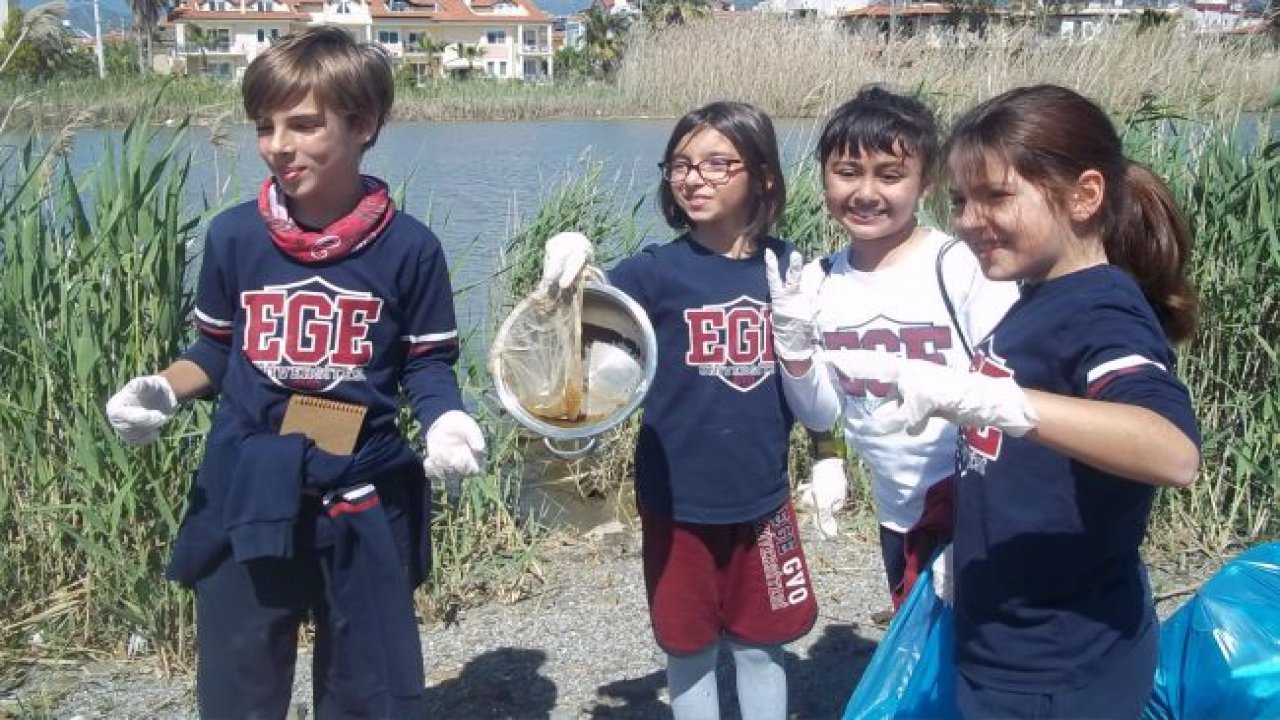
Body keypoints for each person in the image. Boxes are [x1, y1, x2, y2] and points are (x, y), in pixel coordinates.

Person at [103, 26, 485, 718]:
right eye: (265, 126)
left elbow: (428, 363)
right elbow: (215, 353)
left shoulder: (410, 249)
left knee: (367, 689)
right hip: (250, 482)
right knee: (239, 681)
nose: (280, 144)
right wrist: (163, 389)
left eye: (304, 124)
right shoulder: (234, 236)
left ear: (363, 123)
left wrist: (446, 421)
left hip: (364, 488)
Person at [793, 84, 1202, 717]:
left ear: (1085, 197)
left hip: (1057, 659)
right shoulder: (1035, 299)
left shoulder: (1100, 308)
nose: (968, 220)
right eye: (960, 200)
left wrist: (987, 399)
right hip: (1003, 631)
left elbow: (1172, 452)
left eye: (996, 196)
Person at [539, 101, 816, 720]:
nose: (695, 178)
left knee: (760, 646)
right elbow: (581, 345)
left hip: (764, 495)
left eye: (719, 163)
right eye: (682, 164)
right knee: (687, 648)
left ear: (764, 176)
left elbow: (815, 380)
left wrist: (827, 456)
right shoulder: (650, 273)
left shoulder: (788, 268)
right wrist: (574, 272)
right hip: (675, 499)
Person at [767, 86, 1018, 615]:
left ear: (925, 182)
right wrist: (791, 346)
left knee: (984, 665)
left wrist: (984, 519)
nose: (865, 192)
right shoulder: (816, 281)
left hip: (976, 505)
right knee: (919, 649)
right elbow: (821, 410)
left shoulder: (960, 267)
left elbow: (1012, 395)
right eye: (847, 171)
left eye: (889, 174)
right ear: (824, 177)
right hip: (897, 513)